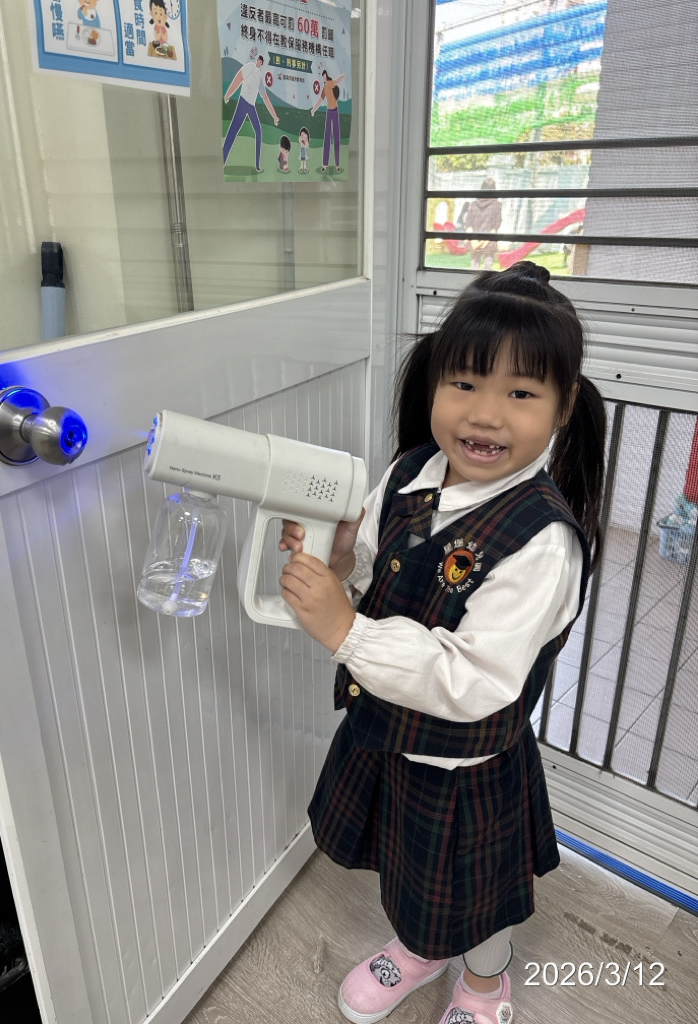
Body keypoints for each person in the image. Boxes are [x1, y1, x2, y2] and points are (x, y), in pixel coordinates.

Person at [279, 262, 606, 1024]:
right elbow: (375, 573)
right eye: (464, 382)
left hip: (466, 771)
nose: (485, 415)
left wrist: (345, 628)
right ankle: (422, 948)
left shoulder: (543, 542)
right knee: (410, 873)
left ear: (563, 406)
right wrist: (339, 562)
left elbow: (473, 679)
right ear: (435, 382)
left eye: (521, 394)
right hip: (390, 740)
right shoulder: (408, 474)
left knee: (476, 898)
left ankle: (486, 985)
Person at [223, 55, 280, 172]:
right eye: (259, 60)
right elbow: (239, 78)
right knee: (233, 130)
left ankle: (257, 164)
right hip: (243, 102)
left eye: (261, 62)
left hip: (251, 107)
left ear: (262, 64)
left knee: (258, 131)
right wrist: (228, 94)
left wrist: (275, 116)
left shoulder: (259, 78)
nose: (260, 63)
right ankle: (222, 160)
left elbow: (265, 97)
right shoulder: (249, 66)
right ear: (257, 60)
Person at [464, 178, 502, 271]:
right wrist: (485, 241)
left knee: (474, 268)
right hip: (489, 241)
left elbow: (468, 224)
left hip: (474, 240)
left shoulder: (473, 204)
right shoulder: (496, 205)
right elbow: (496, 225)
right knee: (487, 270)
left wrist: (474, 241)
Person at [312, 70, 346, 173]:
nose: (324, 78)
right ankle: (325, 164)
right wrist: (313, 110)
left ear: (326, 76)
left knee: (336, 136)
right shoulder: (324, 88)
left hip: (335, 111)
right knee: (327, 137)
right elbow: (320, 100)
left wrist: (342, 76)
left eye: (324, 76)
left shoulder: (330, 83)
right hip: (329, 112)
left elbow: (336, 81)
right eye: (323, 76)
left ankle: (338, 164)